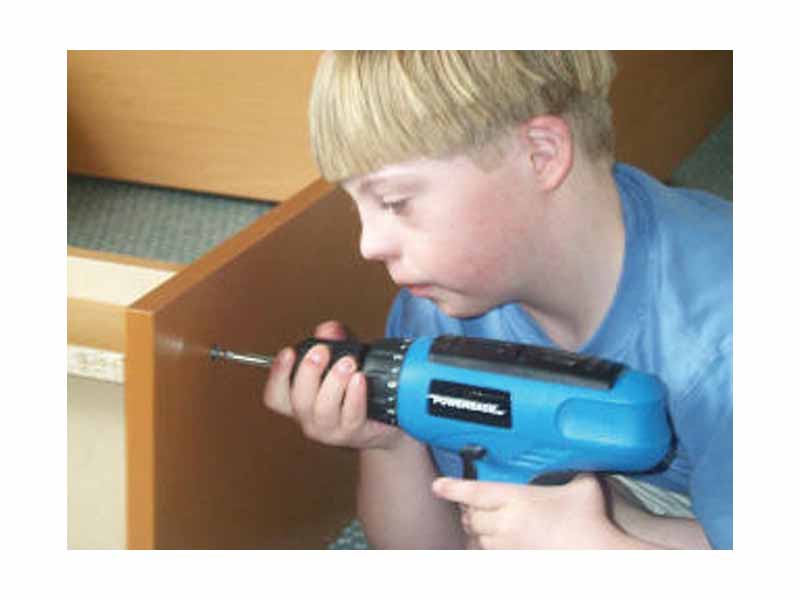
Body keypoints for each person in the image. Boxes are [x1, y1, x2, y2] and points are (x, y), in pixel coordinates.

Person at [263, 51, 732, 549]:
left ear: (541, 155)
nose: (368, 245)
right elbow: (435, 555)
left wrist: (610, 549)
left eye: (396, 202)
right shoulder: (443, 308)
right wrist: (390, 443)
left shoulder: (724, 337)